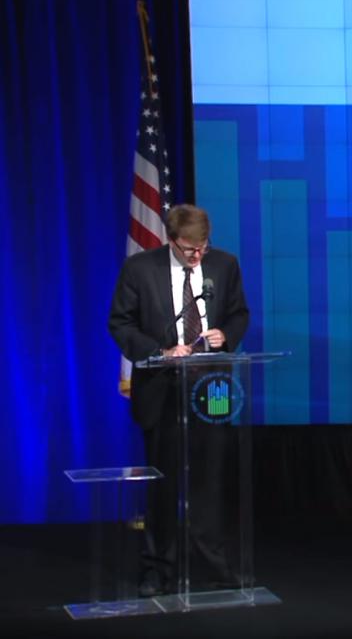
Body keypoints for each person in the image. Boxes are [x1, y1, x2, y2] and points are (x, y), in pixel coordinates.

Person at [108, 203, 249, 595]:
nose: (198, 255)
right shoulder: (140, 269)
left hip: (214, 390)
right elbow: (120, 322)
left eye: (203, 246)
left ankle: (212, 564)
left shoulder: (225, 265)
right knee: (164, 483)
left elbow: (239, 313)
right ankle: (158, 567)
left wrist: (226, 335)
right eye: (190, 249)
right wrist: (160, 350)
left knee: (210, 480)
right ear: (172, 241)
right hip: (162, 388)